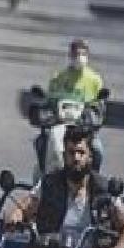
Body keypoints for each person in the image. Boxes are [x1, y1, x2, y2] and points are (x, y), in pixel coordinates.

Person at [46, 38, 108, 171]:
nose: (79, 57)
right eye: (76, 54)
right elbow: (50, 99)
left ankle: (93, 180)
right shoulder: (59, 78)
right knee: (42, 143)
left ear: (87, 56)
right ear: (70, 55)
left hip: (84, 127)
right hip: (60, 123)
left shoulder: (95, 80)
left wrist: (94, 118)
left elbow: (100, 105)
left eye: (82, 54)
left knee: (98, 150)